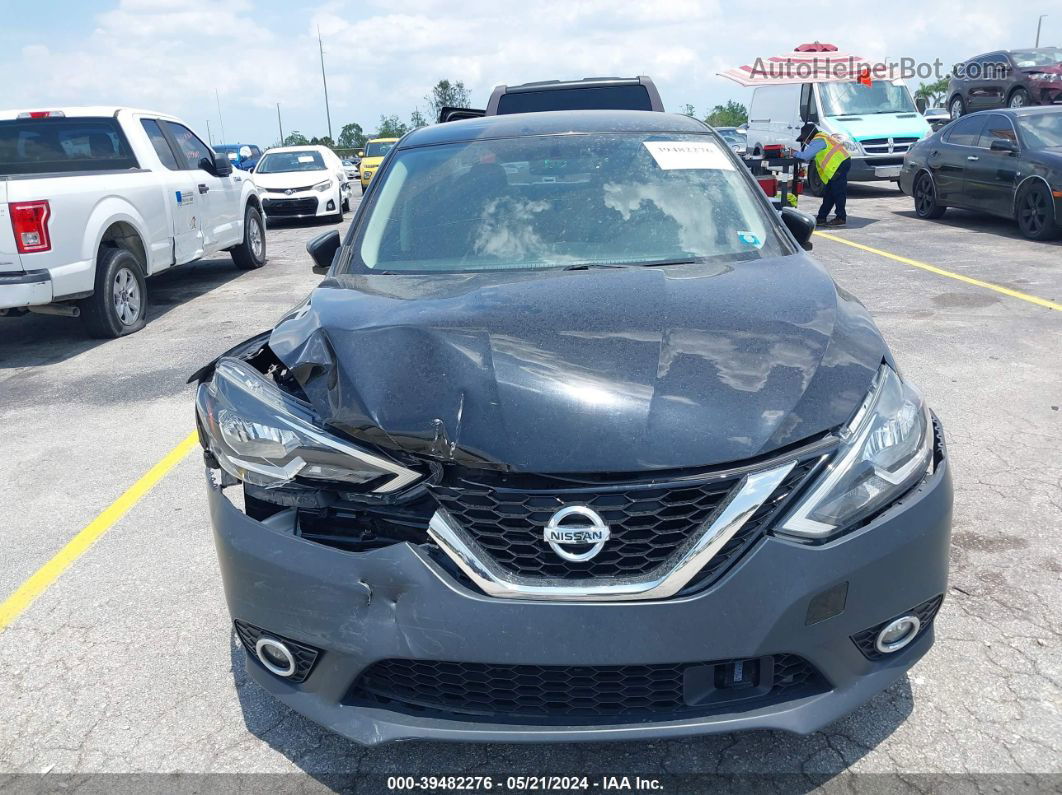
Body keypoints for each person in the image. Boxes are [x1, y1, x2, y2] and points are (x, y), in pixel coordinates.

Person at [792, 122, 850, 227]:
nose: (806, 142)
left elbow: (806, 156)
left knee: (838, 192)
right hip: (839, 164)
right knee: (829, 193)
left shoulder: (818, 140)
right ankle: (821, 217)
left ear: (809, 136)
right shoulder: (822, 137)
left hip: (839, 164)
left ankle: (841, 217)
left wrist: (793, 153)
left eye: (805, 139)